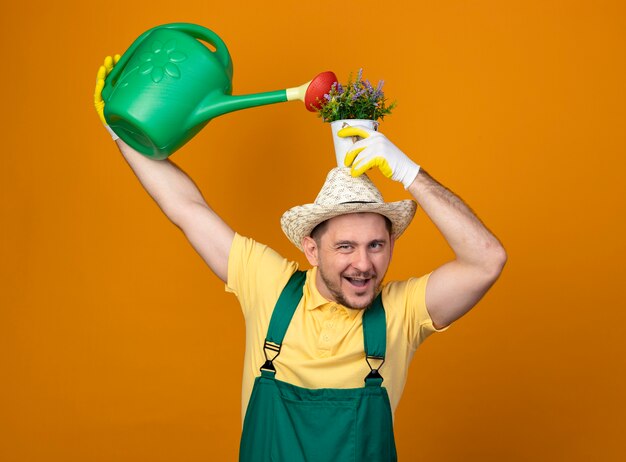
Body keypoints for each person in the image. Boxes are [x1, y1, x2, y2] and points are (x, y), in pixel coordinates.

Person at [95, 56, 507, 461]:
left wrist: (408, 172)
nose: (363, 264)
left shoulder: (403, 312)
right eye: (345, 246)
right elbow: (187, 208)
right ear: (311, 249)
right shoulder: (268, 284)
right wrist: (123, 131)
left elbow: (486, 259)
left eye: (376, 245)